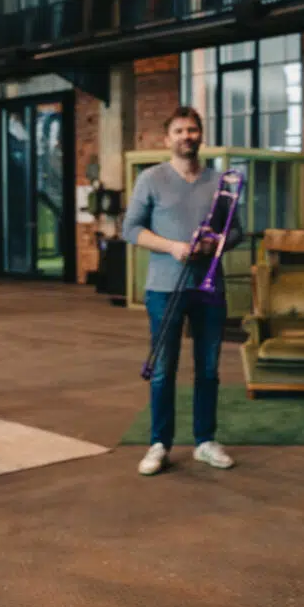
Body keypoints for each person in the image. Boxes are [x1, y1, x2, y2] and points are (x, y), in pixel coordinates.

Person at [123, 106, 241, 476]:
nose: (186, 136)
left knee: (208, 369)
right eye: (179, 130)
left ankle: (205, 441)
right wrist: (172, 247)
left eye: (192, 130)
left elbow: (236, 231)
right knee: (163, 370)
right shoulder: (151, 179)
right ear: (167, 138)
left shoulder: (219, 181)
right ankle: (159, 443)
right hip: (164, 288)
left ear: (200, 135)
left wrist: (215, 243)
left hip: (209, 287)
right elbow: (130, 229)